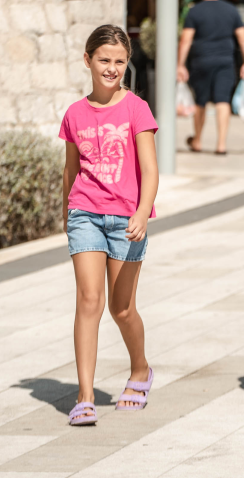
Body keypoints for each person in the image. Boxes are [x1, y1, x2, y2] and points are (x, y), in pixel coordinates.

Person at [60, 25, 160, 426]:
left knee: (122, 309)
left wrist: (141, 212)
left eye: (120, 61)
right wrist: (66, 215)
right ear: (88, 61)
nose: (112, 68)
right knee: (88, 301)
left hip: (126, 220)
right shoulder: (74, 114)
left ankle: (140, 370)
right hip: (84, 213)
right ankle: (85, 396)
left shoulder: (136, 108)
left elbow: (150, 171)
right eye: (104, 60)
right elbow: (70, 170)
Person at [177, 0, 244, 155]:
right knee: (222, 101)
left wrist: (180, 64)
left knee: (200, 102)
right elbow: (243, 38)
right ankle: (221, 145)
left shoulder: (194, 11)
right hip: (225, 62)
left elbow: (186, 40)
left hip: (200, 61)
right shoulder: (231, 10)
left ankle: (197, 140)